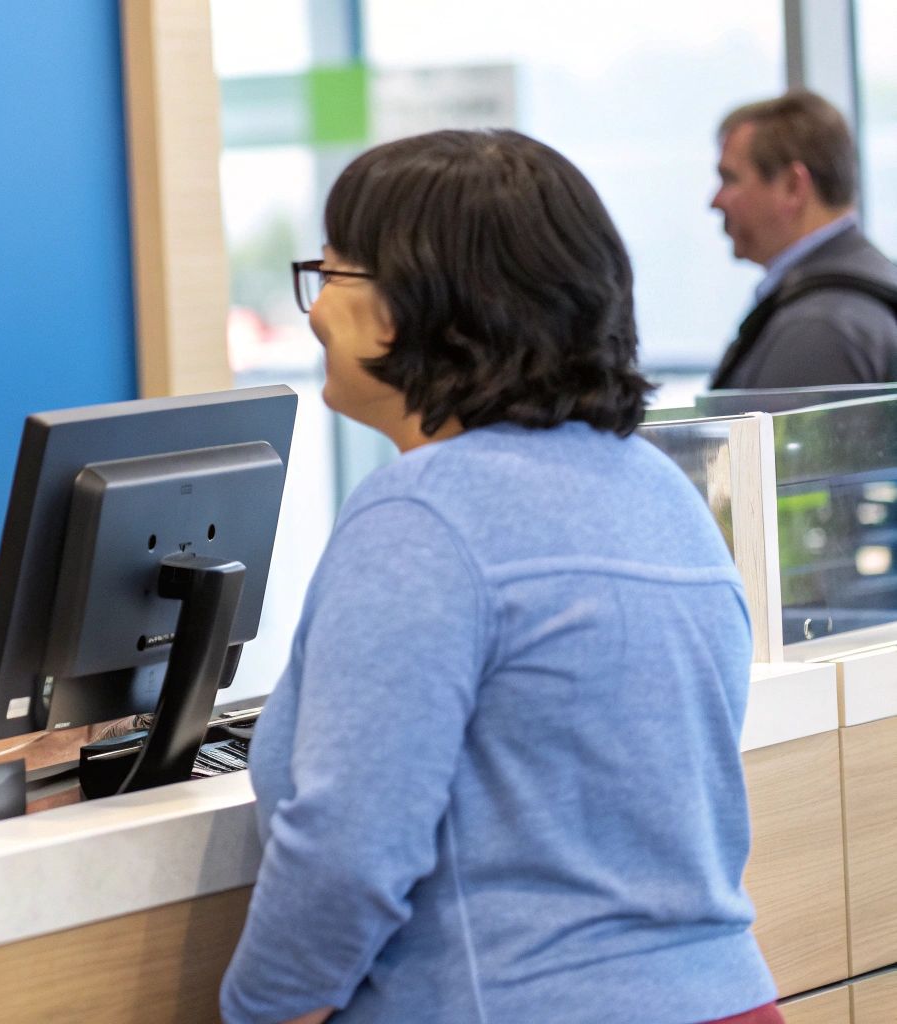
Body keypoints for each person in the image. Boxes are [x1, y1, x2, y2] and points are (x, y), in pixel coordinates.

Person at [220, 131, 780, 1024]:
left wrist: (259, 1010)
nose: (316, 314)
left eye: (330, 276)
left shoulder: (422, 516)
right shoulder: (659, 491)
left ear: (405, 306)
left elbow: (347, 854)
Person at [709, 90, 897, 389]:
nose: (715, 201)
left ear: (794, 186)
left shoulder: (820, 327)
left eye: (730, 178)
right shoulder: (860, 292)